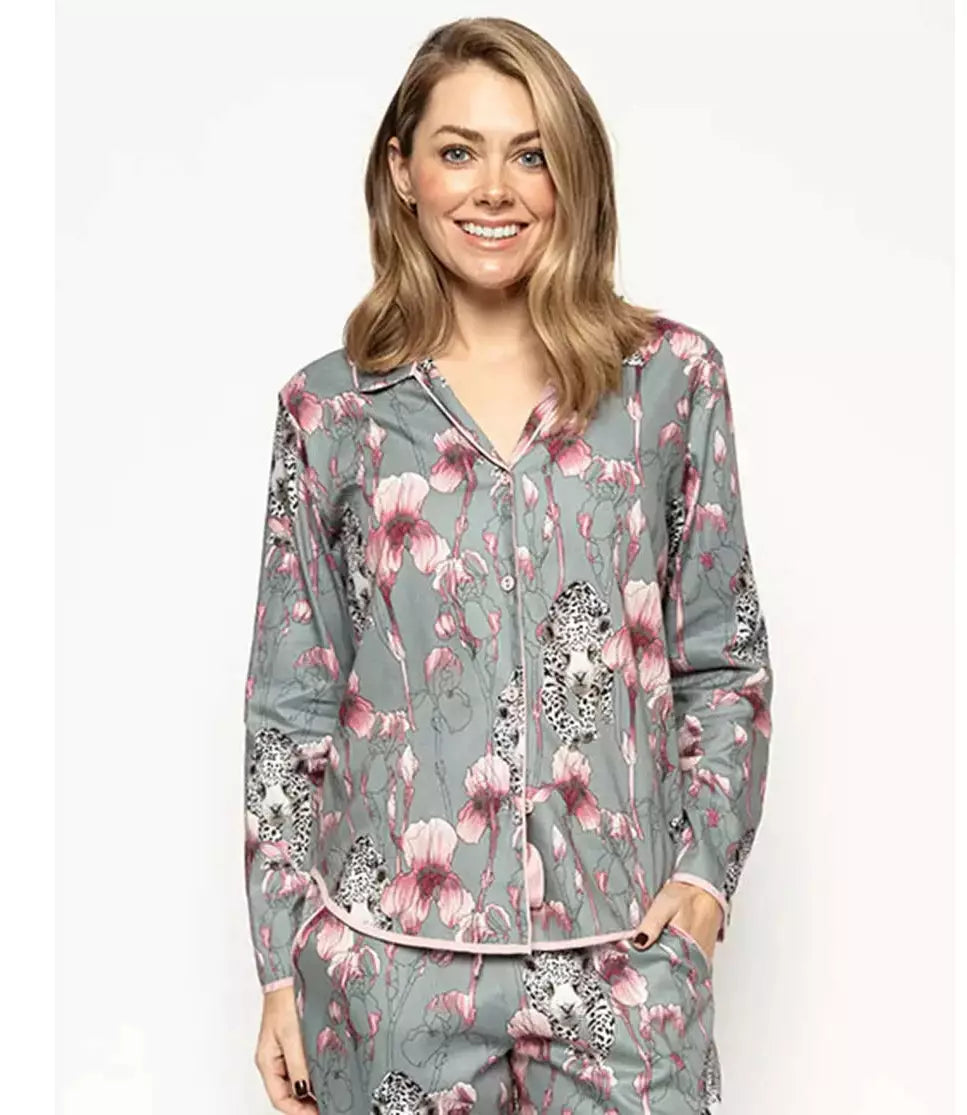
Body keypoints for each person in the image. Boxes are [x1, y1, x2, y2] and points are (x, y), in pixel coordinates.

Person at [242, 16, 773, 1115]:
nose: (494, 189)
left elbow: (723, 659)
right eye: (458, 151)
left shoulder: (668, 382)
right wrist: (282, 960)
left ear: (572, 172)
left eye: (529, 153)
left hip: (621, 963)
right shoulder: (330, 410)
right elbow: (289, 707)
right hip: (387, 972)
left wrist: (702, 878)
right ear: (402, 171)